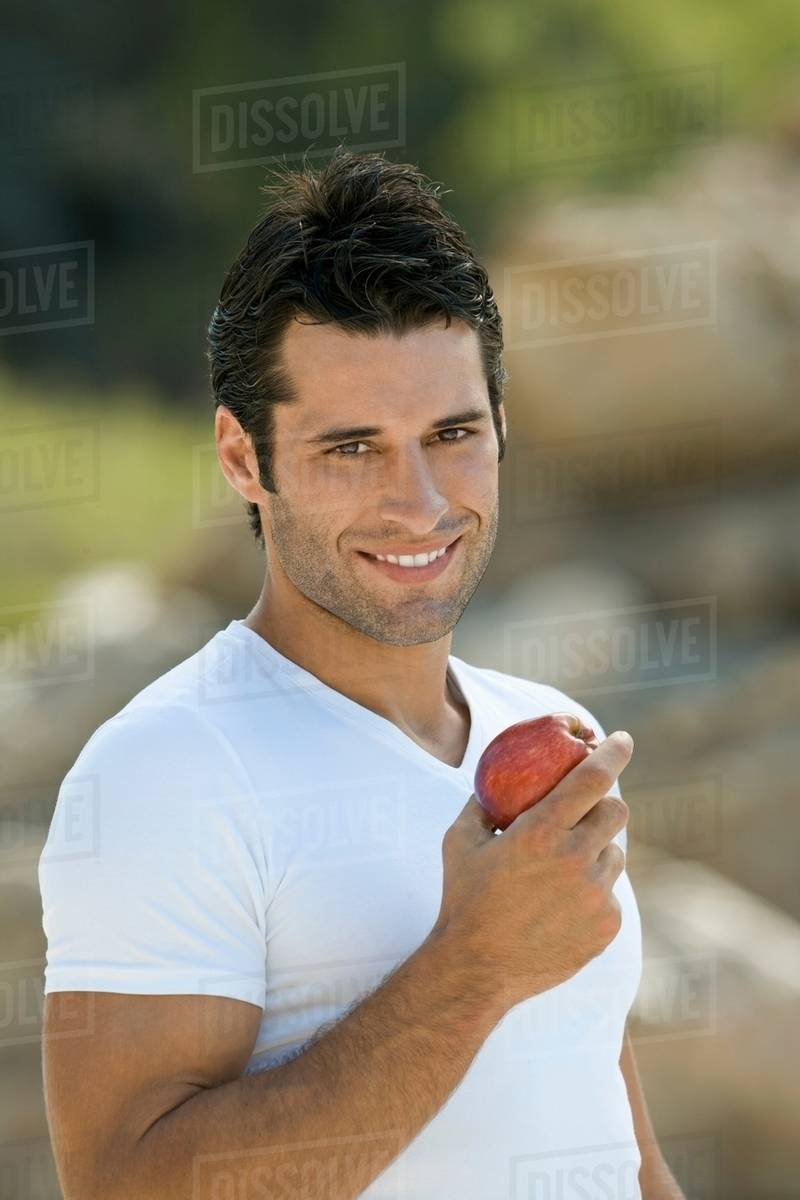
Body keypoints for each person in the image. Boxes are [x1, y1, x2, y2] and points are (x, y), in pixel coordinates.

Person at [39, 146, 684, 1199]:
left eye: (451, 433)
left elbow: (614, 1145)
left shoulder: (549, 728)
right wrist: (474, 966)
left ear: (501, 429)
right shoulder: (164, 773)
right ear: (243, 459)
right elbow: (122, 1184)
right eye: (351, 449)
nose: (419, 502)